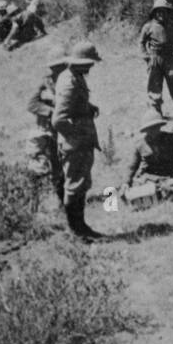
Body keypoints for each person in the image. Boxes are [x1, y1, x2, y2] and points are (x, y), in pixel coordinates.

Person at [52, 42, 105, 240]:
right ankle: (76, 230)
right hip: (75, 145)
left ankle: (81, 227)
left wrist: (87, 107)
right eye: (90, 63)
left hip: (80, 142)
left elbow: (73, 105)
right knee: (74, 186)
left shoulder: (74, 77)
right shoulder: (69, 81)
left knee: (81, 184)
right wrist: (76, 136)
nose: (92, 66)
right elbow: (58, 119)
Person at [27, 53, 69, 204]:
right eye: (56, 67)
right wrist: (51, 111)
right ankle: (33, 202)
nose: (60, 69)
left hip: (60, 132)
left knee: (60, 168)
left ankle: (61, 202)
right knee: (37, 166)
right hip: (43, 131)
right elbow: (31, 105)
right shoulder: (45, 83)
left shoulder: (69, 81)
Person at [121, 115, 173, 193]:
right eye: (150, 128)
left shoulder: (171, 138)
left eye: (155, 127)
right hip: (150, 179)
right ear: (145, 130)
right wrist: (126, 183)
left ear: (160, 126)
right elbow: (132, 167)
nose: (153, 131)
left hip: (172, 177)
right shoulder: (140, 145)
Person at [140, 0, 173, 113]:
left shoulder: (172, 26)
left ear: (167, 12)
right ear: (154, 13)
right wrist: (146, 56)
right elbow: (141, 42)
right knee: (154, 85)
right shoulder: (148, 26)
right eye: (158, 11)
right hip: (155, 58)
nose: (161, 14)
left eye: (164, 11)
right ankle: (156, 111)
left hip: (170, 58)